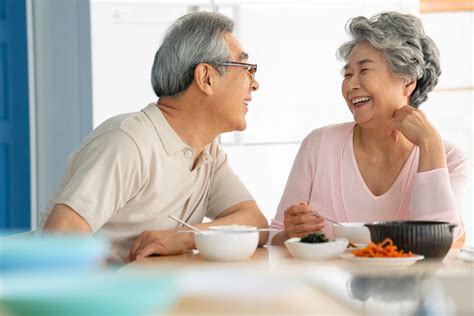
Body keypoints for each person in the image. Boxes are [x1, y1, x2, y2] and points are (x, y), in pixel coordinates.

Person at [42, 11, 268, 262]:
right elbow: (60, 238)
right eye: (245, 67)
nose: (254, 84)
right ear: (206, 78)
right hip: (100, 296)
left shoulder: (207, 152)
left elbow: (254, 222)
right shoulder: (128, 142)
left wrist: (183, 236)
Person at [270, 12, 469, 245]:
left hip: (411, 282)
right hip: (322, 283)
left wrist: (430, 143)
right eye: (347, 74)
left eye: (364, 71)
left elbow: (439, 243)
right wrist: (289, 233)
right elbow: (275, 235)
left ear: (407, 81)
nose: (351, 85)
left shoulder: (449, 159)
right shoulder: (319, 145)